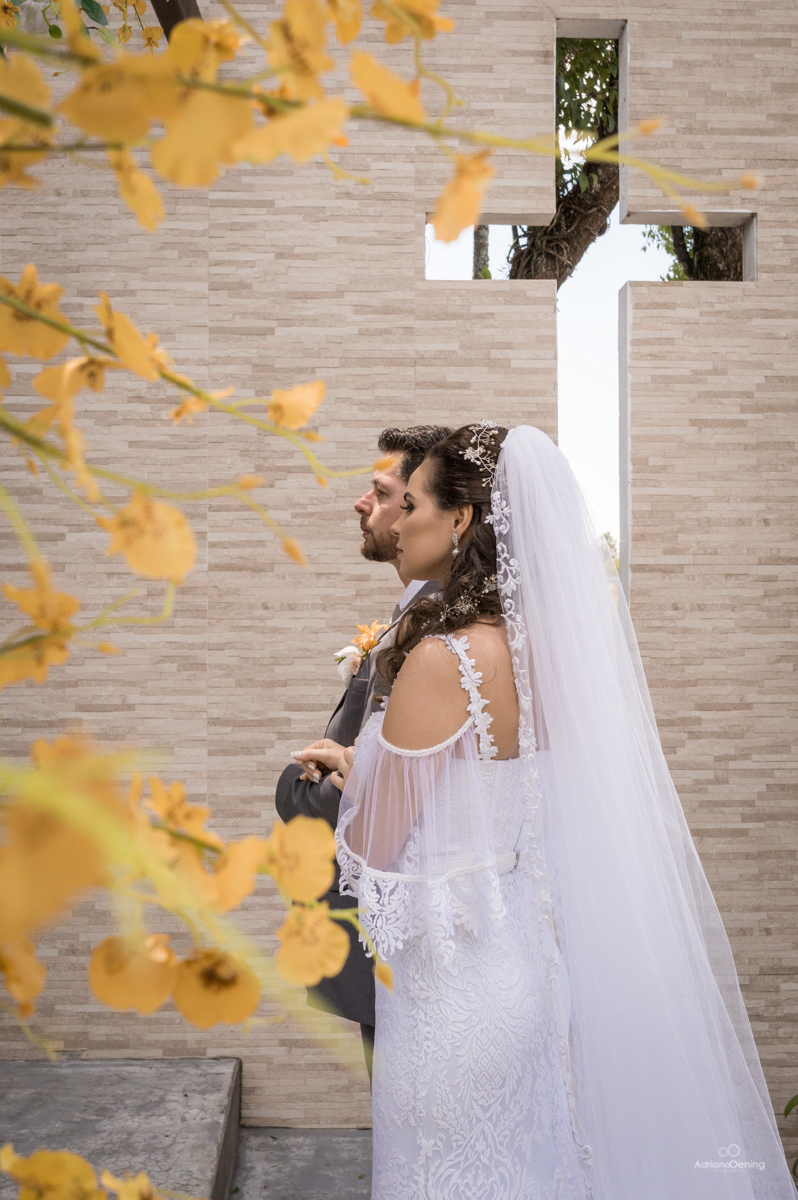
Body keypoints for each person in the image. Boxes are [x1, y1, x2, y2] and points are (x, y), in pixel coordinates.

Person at [313, 422, 797, 1199]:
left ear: (461, 519)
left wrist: (351, 778)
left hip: (452, 1005)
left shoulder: (444, 661)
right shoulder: (548, 660)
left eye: (413, 504)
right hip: (529, 979)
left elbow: (373, 861)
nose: (397, 523)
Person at [275, 424, 450, 1079]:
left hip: (401, 936)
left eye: (381, 493)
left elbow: (401, 800)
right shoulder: (416, 617)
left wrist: (311, 788)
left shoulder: (436, 638)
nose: (363, 505)